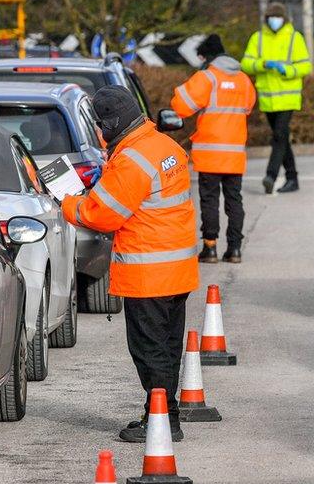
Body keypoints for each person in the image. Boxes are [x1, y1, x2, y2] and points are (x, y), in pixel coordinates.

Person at [62, 86, 198, 443]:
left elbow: (101, 215)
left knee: (149, 351)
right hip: (177, 270)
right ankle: (165, 415)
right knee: (167, 348)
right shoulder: (164, 146)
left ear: (110, 124)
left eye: (97, 126)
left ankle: (162, 422)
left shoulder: (132, 159)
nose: (96, 133)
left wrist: (66, 202)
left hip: (148, 272)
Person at [171, 34, 256, 263]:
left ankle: (210, 249)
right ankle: (235, 249)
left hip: (210, 154)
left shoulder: (207, 77)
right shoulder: (244, 80)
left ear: (207, 57)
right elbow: (248, 107)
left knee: (210, 201)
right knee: (234, 200)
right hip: (235, 154)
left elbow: (180, 106)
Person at [241, 2, 312, 194]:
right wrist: (263, 64)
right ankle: (292, 178)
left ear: (285, 19)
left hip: (288, 98)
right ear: (266, 19)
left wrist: (286, 70)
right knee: (282, 139)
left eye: (278, 17)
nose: (274, 20)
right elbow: (246, 64)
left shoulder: (294, 38)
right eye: (271, 17)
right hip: (267, 98)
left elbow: (305, 66)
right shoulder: (258, 38)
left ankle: (270, 175)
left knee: (279, 136)